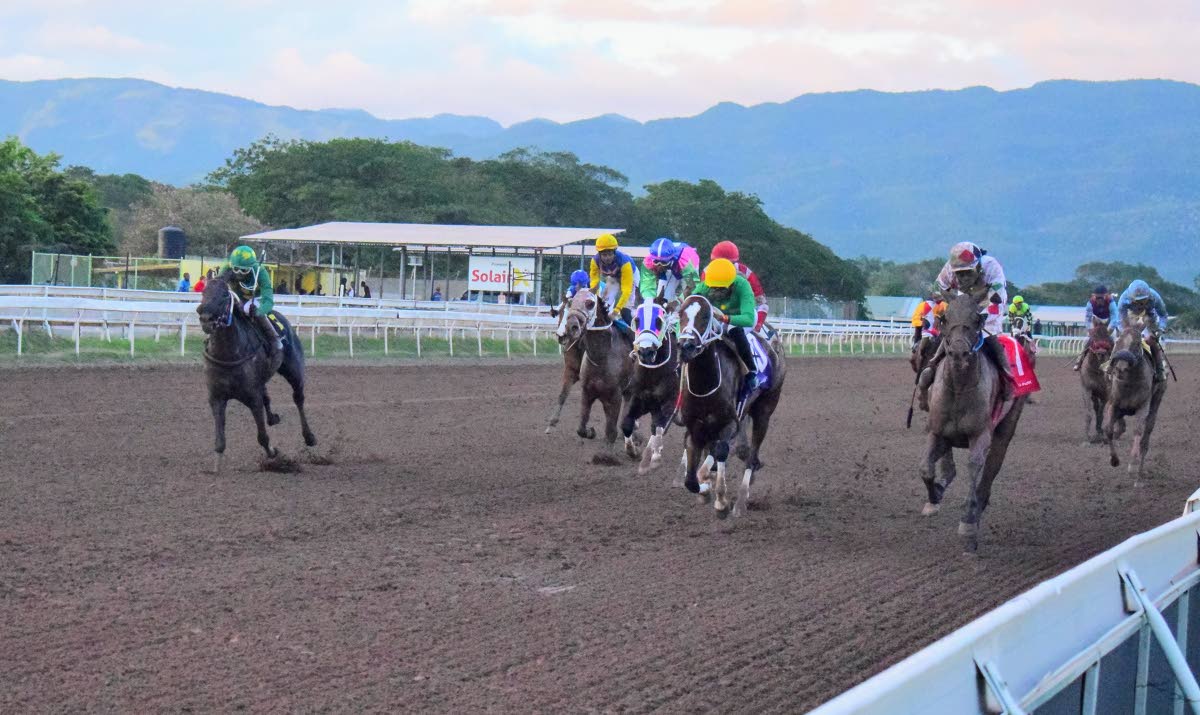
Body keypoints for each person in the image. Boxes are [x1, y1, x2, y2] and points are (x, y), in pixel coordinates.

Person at [921, 241, 1013, 405]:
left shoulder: (991, 266)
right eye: (959, 274)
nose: (963, 277)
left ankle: (1007, 376)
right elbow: (936, 290)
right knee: (953, 334)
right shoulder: (949, 268)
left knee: (989, 336)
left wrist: (976, 320)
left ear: (978, 267)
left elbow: (997, 300)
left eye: (967, 273)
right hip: (962, 303)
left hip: (989, 301)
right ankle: (933, 364)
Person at [696, 258, 765, 394]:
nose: (716, 291)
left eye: (721, 288)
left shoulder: (743, 285)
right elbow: (689, 303)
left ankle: (751, 372)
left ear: (731, 283)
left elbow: (749, 319)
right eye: (713, 287)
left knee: (734, 331)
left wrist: (726, 318)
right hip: (718, 317)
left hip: (741, 317)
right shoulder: (704, 286)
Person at [222, 245, 281, 360]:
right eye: (236, 269)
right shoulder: (226, 268)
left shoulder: (261, 272)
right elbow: (217, 286)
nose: (239, 273)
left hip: (257, 300)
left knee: (246, 309)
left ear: (251, 267)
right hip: (236, 297)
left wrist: (259, 312)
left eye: (244, 270)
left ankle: (274, 340)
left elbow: (269, 301)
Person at [1115, 279, 1169, 382]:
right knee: (1121, 340)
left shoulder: (1155, 297)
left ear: (1148, 296)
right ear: (1131, 298)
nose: (1140, 304)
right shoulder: (1123, 299)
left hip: (1149, 316)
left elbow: (1163, 315)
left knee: (1152, 341)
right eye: (1137, 301)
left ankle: (1159, 369)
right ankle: (1111, 365)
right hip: (1131, 316)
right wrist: (1124, 333)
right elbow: (1120, 319)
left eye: (1143, 300)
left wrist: (1160, 330)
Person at [710, 241, 769, 332]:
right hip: (716, 316)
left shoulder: (746, 273)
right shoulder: (707, 272)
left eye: (728, 264)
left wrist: (758, 325)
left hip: (741, 317)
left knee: (735, 332)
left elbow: (763, 304)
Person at [588, 233, 638, 337]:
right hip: (614, 277)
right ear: (599, 254)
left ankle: (636, 335)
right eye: (604, 255)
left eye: (610, 254)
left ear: (614, 253)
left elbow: (626, 290)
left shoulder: (624, 262)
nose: (607, 258)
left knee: (625, 311)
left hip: (631, 276)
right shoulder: (594, 261)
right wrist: (596, 298)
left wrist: (616, 311)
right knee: (603, 306)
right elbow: (594, 283)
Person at [639, 237, 699, 305]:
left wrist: (677, 302)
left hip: (687, 263)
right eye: (656, 262)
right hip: (670, 267)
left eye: (663, 262)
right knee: (663, 300)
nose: (660, 266)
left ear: (671, 259)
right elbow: (647, 286)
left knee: (687, 300)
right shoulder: (648, 262)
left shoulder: (686, 263)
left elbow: (692, 286)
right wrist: (650, 301)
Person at [1072, 285, 1117, 370]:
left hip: (1109, 321)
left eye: (1101, 297)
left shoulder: (1111, 302)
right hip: (1096, 320)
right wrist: (1090, 330)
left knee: (1115, 339)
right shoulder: (1090, 303)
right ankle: (1079, 361)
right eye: (1097, 297)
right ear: (1094, 296)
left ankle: (1114, 363)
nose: (1099, 300)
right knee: (1087, 340)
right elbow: (1088, 319)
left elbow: (1115, 318)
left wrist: (1109, 330)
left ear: (1106, 296)